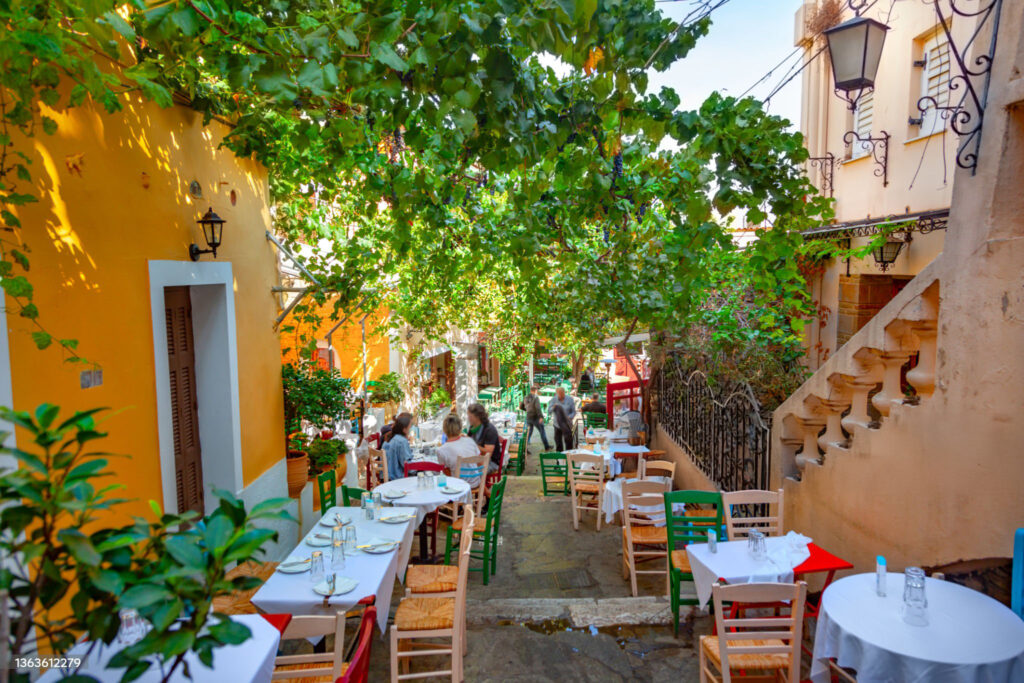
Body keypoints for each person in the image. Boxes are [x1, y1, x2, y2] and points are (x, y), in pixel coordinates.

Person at [436, 413, 481, 485]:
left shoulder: (441, 450)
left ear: (444, 429)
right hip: (476, 482)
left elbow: (446, 473)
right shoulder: (470, 440)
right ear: (460, 428)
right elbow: (479, 462)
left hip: (459, 486)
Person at [467, 403, 503, 472]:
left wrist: (472, 444)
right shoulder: (472, 428)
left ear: (477, 417)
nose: (468, 418)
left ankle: (477, 483)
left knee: (470, 471)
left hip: (490, 462)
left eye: (470, 416)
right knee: (458, 466)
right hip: (476, 459)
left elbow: (488, 453)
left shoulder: (489, 429)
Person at [519, 384, 551, 452]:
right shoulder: (536, 397)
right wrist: (541, 417)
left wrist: (527, 410)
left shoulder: (526, 397)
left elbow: (521, 406)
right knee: (542, 431)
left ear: (531, 390)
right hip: (535, 417)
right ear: (536, 391)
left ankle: (525, 449)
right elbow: (538, 408)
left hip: (528, 417)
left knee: (528, 433)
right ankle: (547, 446)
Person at [382, 413, 413, 480]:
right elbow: (408, 466)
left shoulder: (394, 438)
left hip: (391, 474)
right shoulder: (402, 441)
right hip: (398, 477)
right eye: (410, 427)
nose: (410, 429)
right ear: (404, 429)